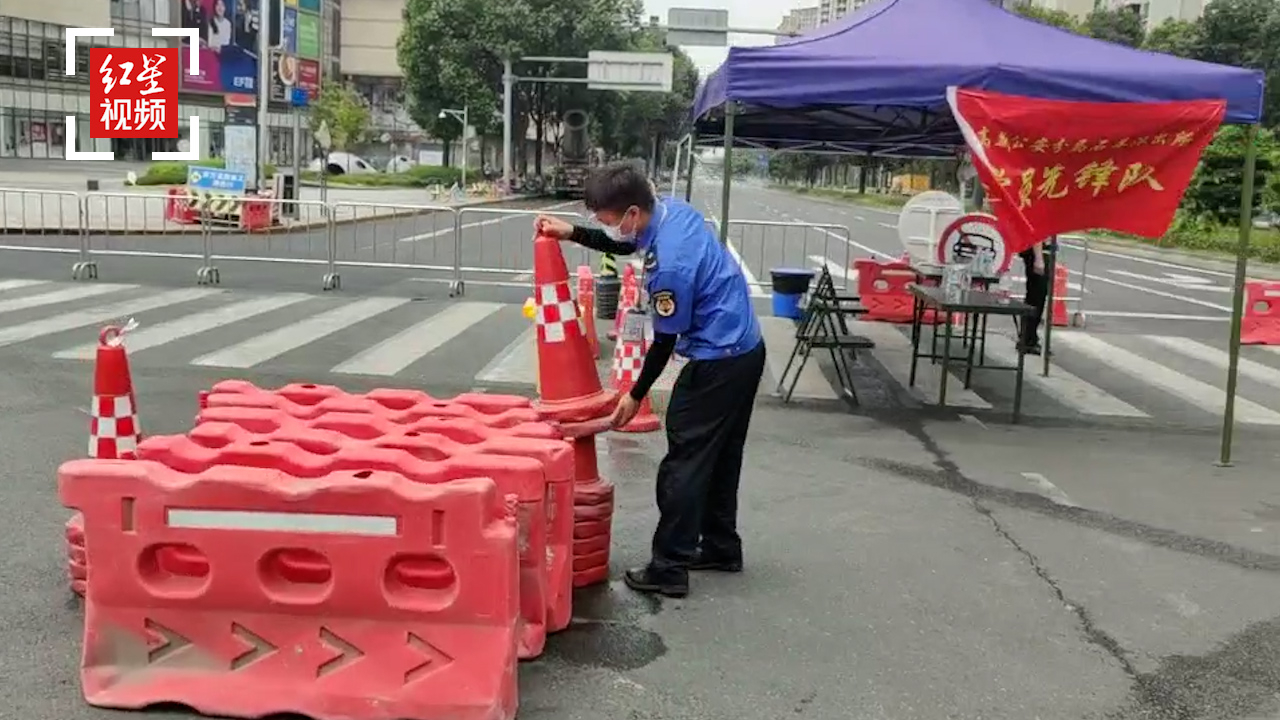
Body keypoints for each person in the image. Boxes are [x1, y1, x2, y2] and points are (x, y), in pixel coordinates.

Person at [535, 162, 766, 599]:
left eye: (607, 222)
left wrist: (634, 394)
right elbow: (626, 246)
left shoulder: (671, 267)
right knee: (720, 456)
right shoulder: (672, 212)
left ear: (633, 213)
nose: (609, 230)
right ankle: (720, 546)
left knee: (685, 462)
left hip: (718, 360)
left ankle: (669, 566)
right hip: (746, 349)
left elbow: (663, 341)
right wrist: (574, 233)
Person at [1018, 238, 1053, 355]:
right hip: (1038, 252)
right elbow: (1037, 234)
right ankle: (1028, 338)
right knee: (1036, 297)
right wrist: (1039, 258)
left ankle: (1028, 336)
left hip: (1039, 251)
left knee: (1035, 296)